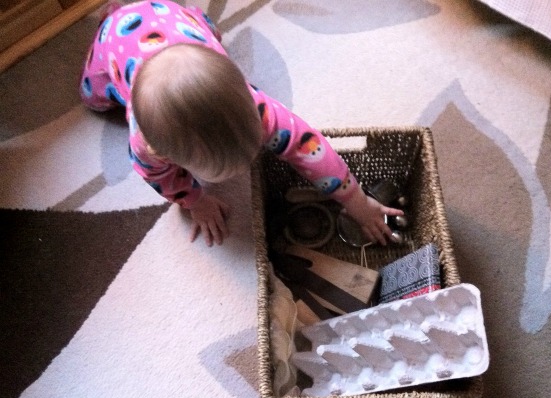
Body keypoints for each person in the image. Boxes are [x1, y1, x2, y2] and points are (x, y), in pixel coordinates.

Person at [80, 0, 402, 247]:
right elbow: (162, 179)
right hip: (116, 39)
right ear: (164, 154)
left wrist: (356, 201)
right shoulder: (147, 148)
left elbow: (310, 147)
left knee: (200, 28)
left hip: (174, 16)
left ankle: (196, 21)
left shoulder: (256, 106)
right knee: (92, 97)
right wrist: (196, 200)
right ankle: (111, 13)